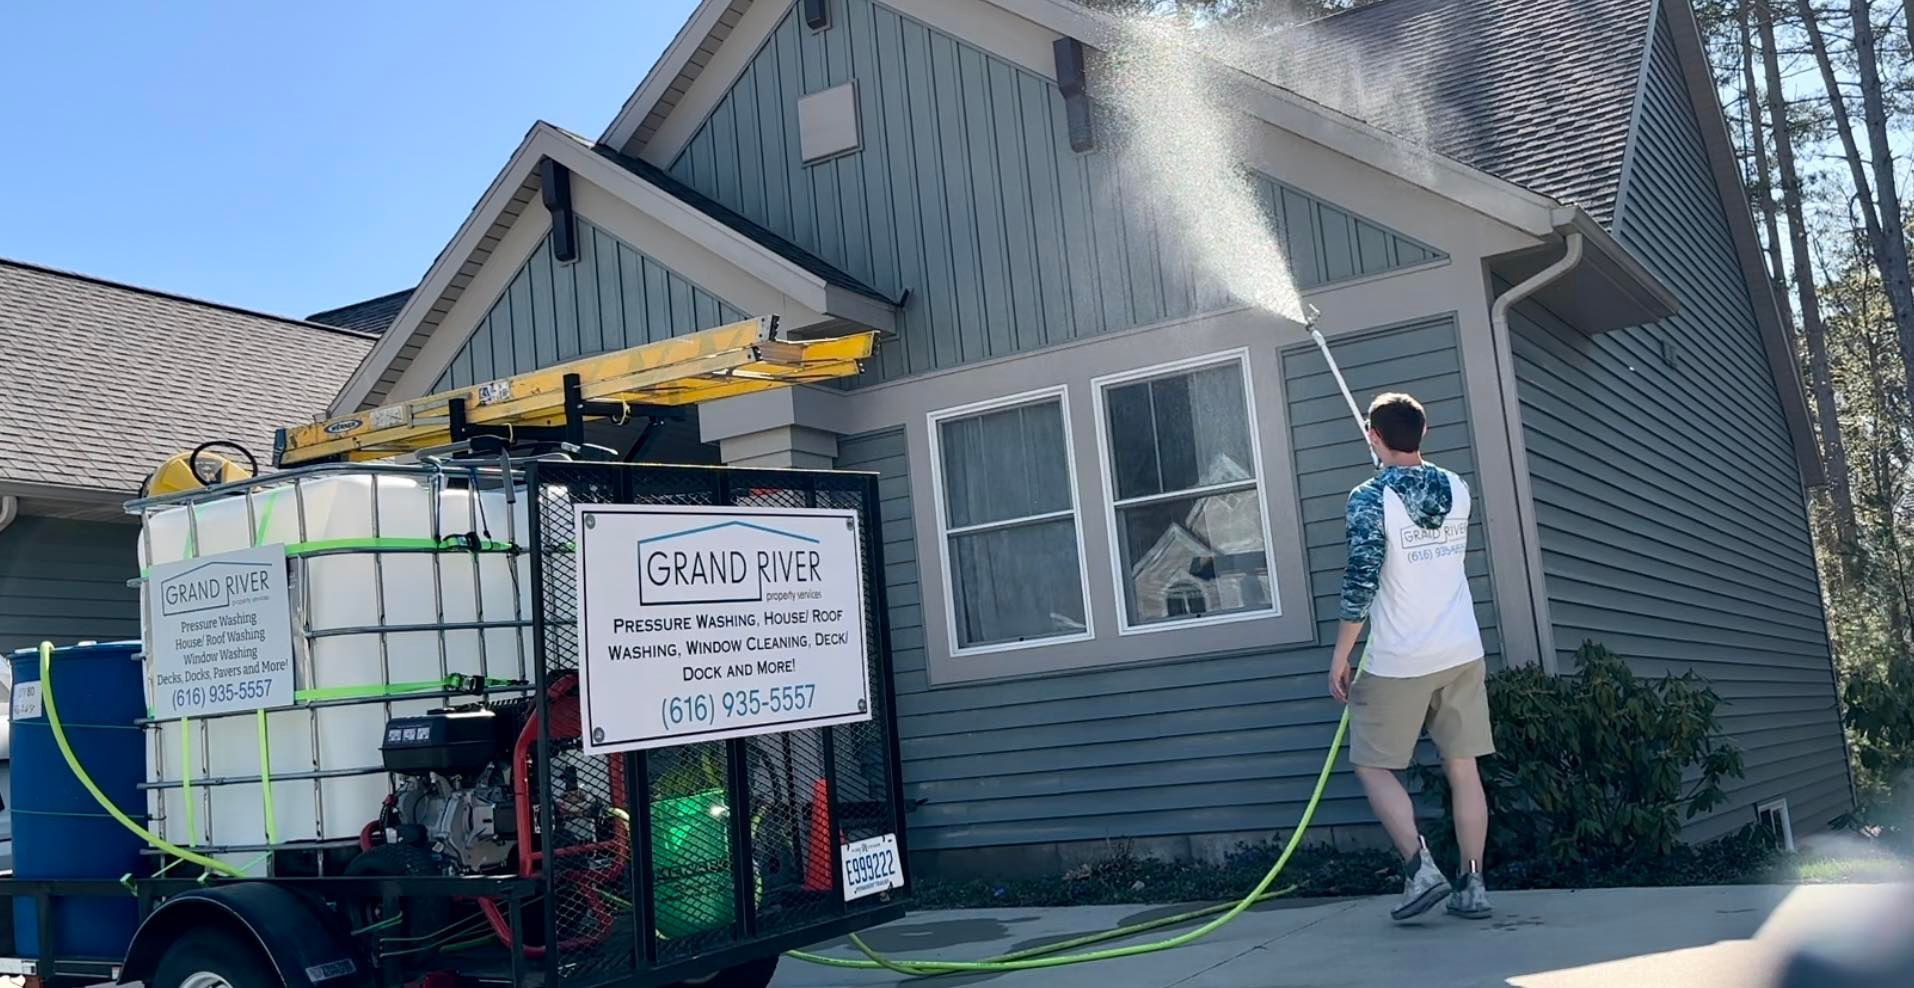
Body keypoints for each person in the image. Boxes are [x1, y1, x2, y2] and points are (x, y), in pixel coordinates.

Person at [1327, 392, 1494, 922]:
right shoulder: (1458, 488)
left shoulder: (1368, 498)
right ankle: (1473, 885)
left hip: (1399, 657)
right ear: (1421, 433)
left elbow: (1360, 582)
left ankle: (1420, 870)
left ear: (1374, 438)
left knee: (1373, 766)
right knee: (1462, 767)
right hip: (1461, 649)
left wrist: (1341, 655)